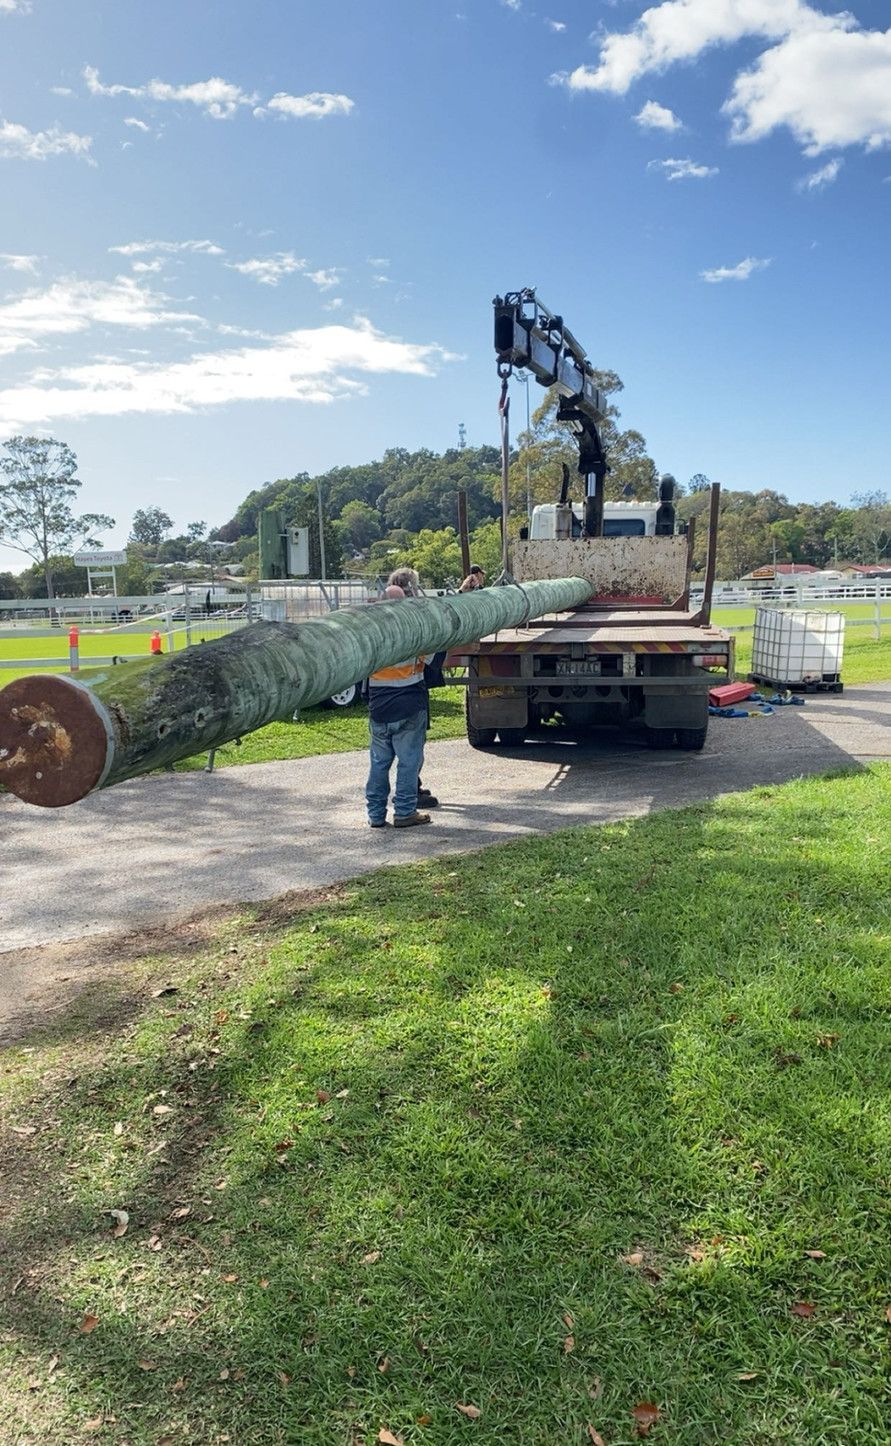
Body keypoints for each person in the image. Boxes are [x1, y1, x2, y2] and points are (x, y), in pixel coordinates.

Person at [365, 581, 432, 829]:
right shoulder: (413, 631)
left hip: (379, 708)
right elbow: (434, 655)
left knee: (379, 763)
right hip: (409, 707)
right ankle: (404, 812)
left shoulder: (373, 634)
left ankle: (375, 814)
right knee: (408, 762)